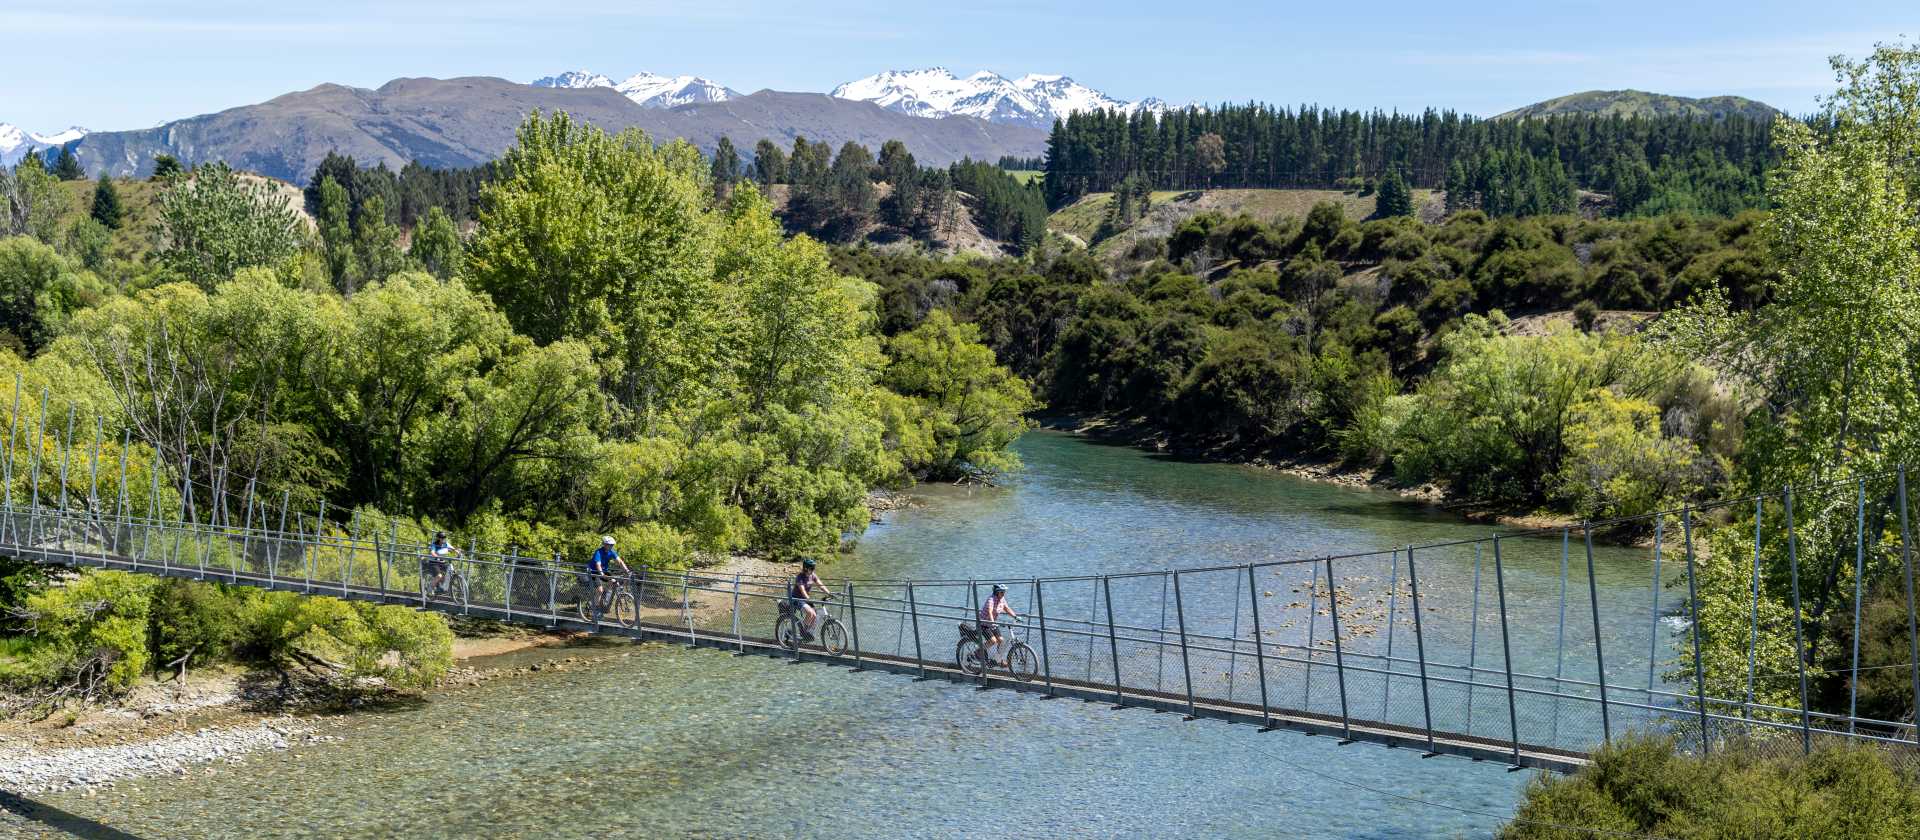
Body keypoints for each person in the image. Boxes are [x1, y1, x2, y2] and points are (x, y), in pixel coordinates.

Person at [585, 536, 631, 614]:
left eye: (612, 545)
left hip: (604, 571)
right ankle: (595, 607)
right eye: (610, 544)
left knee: (614, 582)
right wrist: (601, 574)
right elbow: (598, 564)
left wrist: (627, 571)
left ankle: (605, 602)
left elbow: (620, 562)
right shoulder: (598, 552)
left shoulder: (612, 552)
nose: (611, 546)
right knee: (600, 589)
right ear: (605, 544)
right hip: (594, 572)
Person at [978, 583, 1020, 666]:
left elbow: (1007, 608)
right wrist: (993, 622)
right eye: (1002, 592)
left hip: (992, 624)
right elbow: (990, 612)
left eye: (1004, 592)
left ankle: (997, 660)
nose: (1004, 593)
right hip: (984, 624)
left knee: (1001, 641)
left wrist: (1015, 616)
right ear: (997, 592)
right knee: (993, 641)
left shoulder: (1002, 599)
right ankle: (978, 652)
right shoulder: (991, 600)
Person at [788, 558, 828, 642]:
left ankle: (806, 633)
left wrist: (829, 593)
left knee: (814, 614)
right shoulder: (800, 577)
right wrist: (809, 599)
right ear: (806, 568)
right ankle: (802, 631)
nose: (813, 570)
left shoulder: (812, 575)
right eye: (812, 568)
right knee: (810, 612)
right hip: (796, 599)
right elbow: (802, 590)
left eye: (814, 568)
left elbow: (820, 585)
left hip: (805, 599)